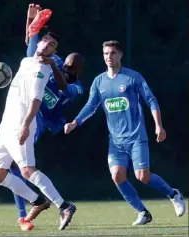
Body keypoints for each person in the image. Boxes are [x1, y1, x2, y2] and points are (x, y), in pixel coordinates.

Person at [64, 40, 186, 226]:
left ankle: (173, 194)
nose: (109, 57)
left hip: (137, 137)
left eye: (112, 53)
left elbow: (151, 100)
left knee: (142, 177)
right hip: (116, 141)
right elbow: (91, 106)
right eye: (105, 53)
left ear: (120, 55)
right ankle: (142, 212)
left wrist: (158, 125)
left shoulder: (133, 78)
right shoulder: (99, 81)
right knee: (117, 176)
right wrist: (75, 122)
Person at [8, 3, 85, 231]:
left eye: (70, 68)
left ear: (76, 71)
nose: (66, 68)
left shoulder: (77, 88)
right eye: (66, 64)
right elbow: (32, 46)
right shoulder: (56, 60)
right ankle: (32, 209)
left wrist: (54, 65)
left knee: (21, 167)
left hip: (39, 120)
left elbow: (63, 88)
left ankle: (40, 206)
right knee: (14, 167)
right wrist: (30, 20)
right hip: (26, 113)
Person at [0, 30, 76, 232]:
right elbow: (30, 37)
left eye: (52, 44)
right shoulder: (26, 61)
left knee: (27, 170)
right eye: (45, 40)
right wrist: (31, 20)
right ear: (39, 42)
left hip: (22, 123)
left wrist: (25, 125)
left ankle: (64, 206)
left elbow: (36, 100)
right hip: (6, 125)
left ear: (54, 51)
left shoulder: (42, 68)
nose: (47, 44)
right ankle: (37, 201)